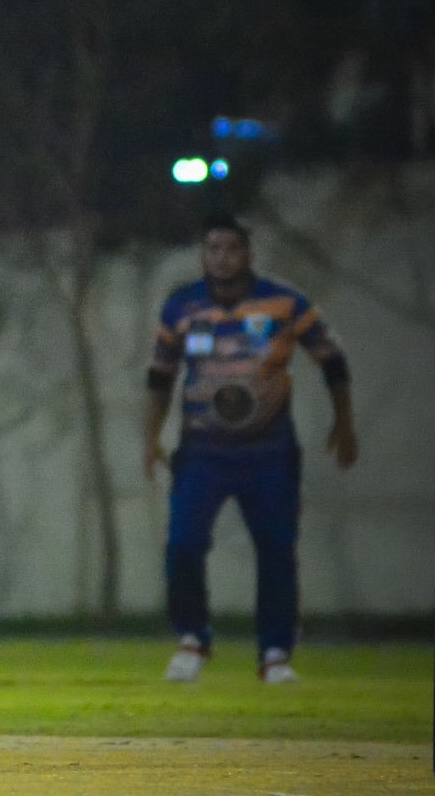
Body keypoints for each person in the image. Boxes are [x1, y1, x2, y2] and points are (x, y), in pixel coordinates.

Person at [143, 209, 357, 685]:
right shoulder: (182, 306)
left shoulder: (283, 302)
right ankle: (192, 639)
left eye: (232, 248)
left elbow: (332, 360)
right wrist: (150, 438)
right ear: (203, 254)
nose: (223, 258)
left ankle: (275, 653)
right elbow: (159, 376)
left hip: (269, 450)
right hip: (203, 450)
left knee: (277, 548)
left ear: (248, 253)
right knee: (183, 543)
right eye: (213, 248)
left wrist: (344, 424)